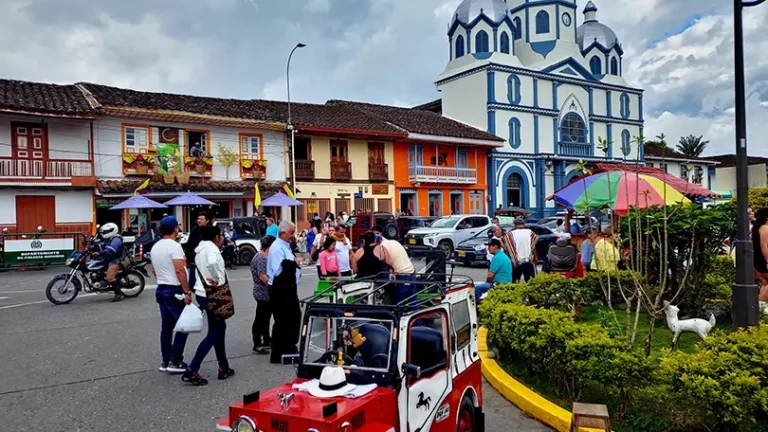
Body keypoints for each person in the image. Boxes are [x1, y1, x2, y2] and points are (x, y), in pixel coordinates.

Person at [182, 226, 234, 386]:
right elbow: (212, 264)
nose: (223, 238)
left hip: (202, 292)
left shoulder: (199, 250)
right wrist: (217, 278)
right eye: (221, 235)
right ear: (216, 237)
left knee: (219, 328)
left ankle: (223, 366)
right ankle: (193, 368)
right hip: (212, 293)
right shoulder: (212, 249)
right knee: (215, 331)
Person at [151, 216, 193, 374]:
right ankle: (175, 360)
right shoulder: (174, 247)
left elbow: (154, 270)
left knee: (167, 327)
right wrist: (186, 291)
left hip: (161, 288)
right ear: (175, 229)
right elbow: (180, 270)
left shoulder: (155, 247)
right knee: (183, 325)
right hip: (174, 290)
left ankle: (166, 359)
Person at [267, 221, 301, 364]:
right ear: (282, 233)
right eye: (291, 233)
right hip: (281, 288)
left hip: (289, 287)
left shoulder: (285, 246)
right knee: (282, 320)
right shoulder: (276, 247)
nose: (293, 236)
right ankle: (280, 352)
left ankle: (289, 347)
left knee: (293, 318)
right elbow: (278, 270)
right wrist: (294, 264)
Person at [373, 226, 416, 303]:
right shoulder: (393, 242)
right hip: (411, 272)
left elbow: (388, 261)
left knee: (398, 301)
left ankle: (397, 314)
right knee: (412, 299)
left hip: (403, 275)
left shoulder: (383, 246)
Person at [475, 239, 513, 303]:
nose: (488, 248)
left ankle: (477, 308)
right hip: (506, 283)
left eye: (490, 246)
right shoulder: (502, 255)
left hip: (499, 284)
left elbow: (490, 276)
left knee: (477, 289)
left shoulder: (497, 257)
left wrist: (486, 282)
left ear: (495, 246)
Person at [97, 223, 126, 302]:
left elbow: (112, 250)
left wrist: (100, 253)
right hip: (109, 258)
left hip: (115, 259)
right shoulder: (109, 238)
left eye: (105, 232)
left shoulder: (116, 239)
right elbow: (102, 244)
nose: (104, 234)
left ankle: (118, 294)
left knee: (110, 277)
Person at [184, 212, 211, 292]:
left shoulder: (210, 231)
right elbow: (189, 243)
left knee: (205, 283)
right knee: (191, 284)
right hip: (194, 260)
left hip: (205, 261)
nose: (199, 221)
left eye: (202, 219)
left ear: (207, 221)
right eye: (198, 219)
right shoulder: (194, 230)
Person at [507, 217, 537, 283]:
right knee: (531, 283)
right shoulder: (530, 233)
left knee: (514, 282)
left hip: (516, 262)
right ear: (523, 224)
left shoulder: (510, 234)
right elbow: (533, 246)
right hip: (528, 261)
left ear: (515, 225)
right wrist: (535, 257)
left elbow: (508, 248)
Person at [752, 208, 768, 300]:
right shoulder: (765, 228)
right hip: (763, 259)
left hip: (759, 259)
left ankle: (762, 304)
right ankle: (761, 302)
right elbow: (764, 246)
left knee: (765, 283)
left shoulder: (759, 228)